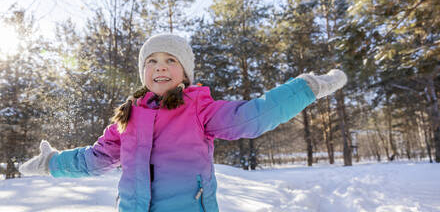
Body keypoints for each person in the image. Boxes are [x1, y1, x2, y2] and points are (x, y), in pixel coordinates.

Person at [19, 33, 347, 212]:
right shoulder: (128, 115)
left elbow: (254, 116)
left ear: (185, 73)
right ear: (143, 72)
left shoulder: (199, 109)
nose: (160, 67)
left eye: (170, 60)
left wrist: (307, 88)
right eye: (152, 61)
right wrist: (52, 163)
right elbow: (95, 158)